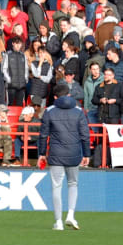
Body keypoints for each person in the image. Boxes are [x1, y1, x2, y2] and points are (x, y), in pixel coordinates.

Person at [38, 83, 90, 231]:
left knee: (56, 186)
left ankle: (58, 221)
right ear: (69, 94)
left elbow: (43, 135)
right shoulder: (78, 111)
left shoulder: (49, 111)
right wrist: (87, 154)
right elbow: (85, 135)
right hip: (74, 153)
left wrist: (42, 154)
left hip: (56, 154)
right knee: (73, 184)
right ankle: (71, 215)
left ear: (55, 97)